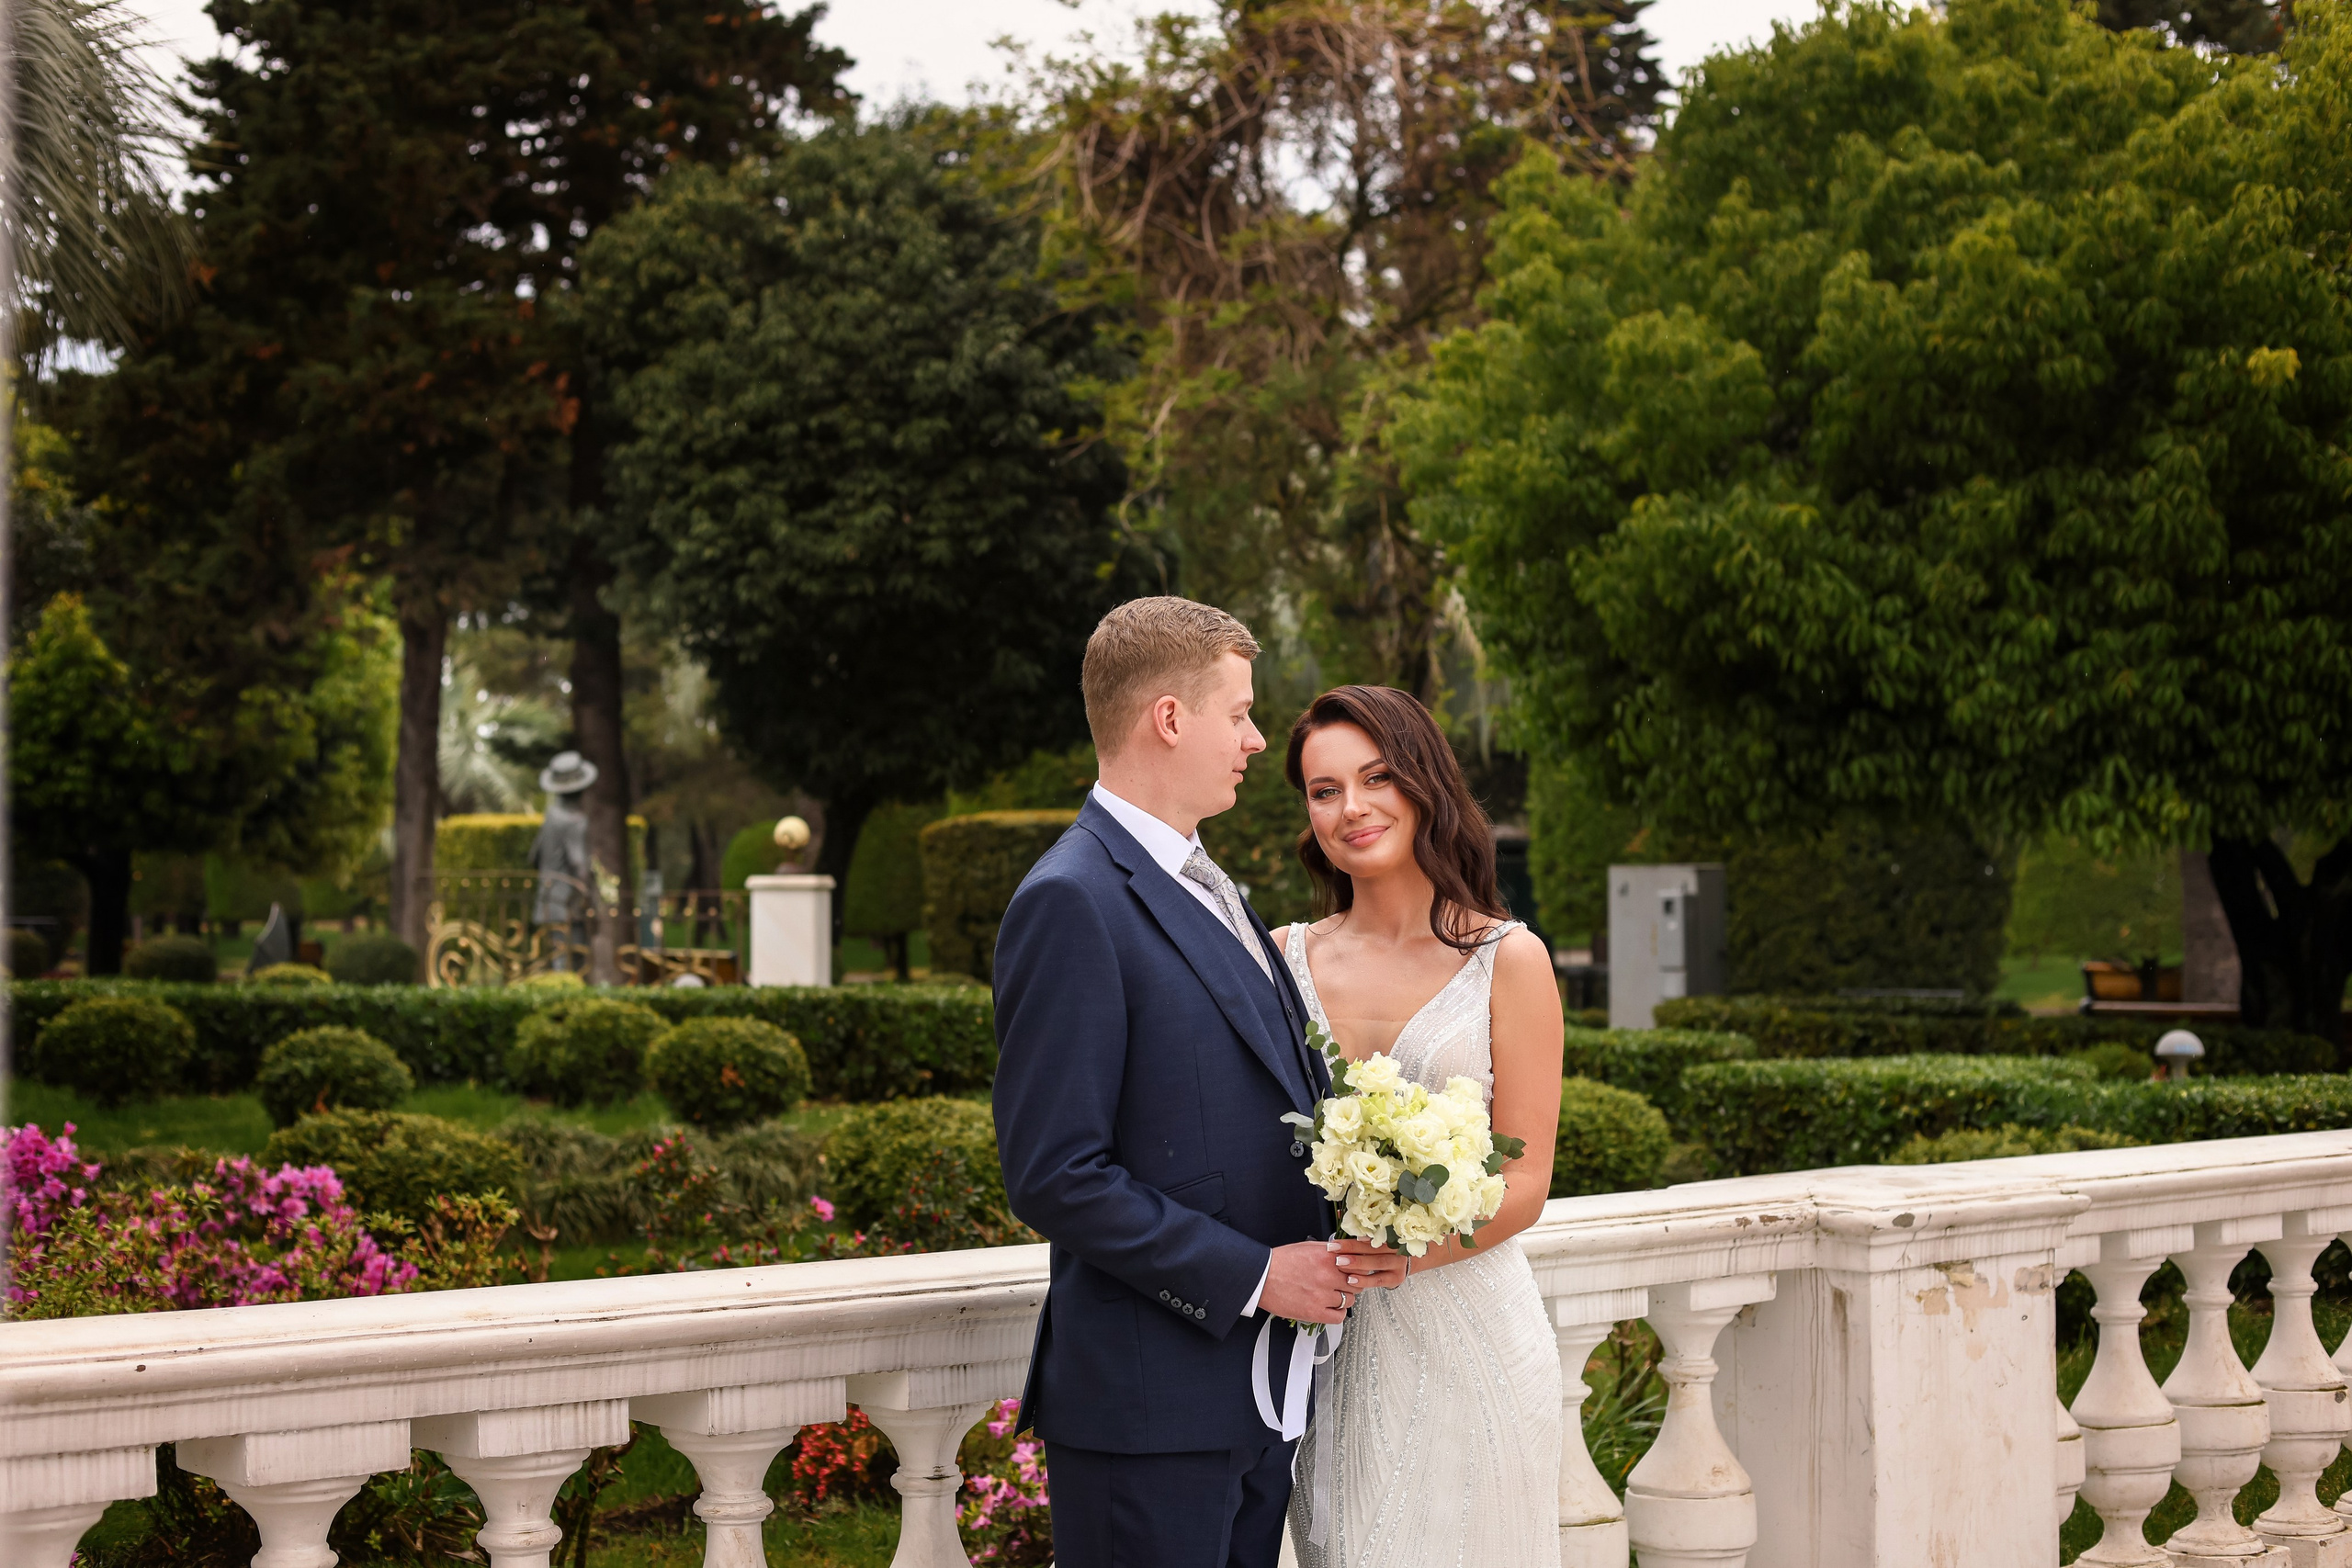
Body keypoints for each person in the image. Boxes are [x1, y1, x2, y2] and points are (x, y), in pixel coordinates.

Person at [992, 597, 1366, 1568]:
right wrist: (1255, 1275)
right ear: (1168, 717)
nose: (1252, 741)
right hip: (1144, 1416)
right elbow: (1054, 1172)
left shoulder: (1208, 882)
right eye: (1238, 713)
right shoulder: (1070, 900)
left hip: (1248, 1402)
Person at [1275, 683, 1566, 1567]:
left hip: (1468, 1329)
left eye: (1375, 778)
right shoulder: (1282, 958)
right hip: (1327, 1345)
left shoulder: (1506, 960)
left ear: (1423, 783)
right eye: (1324, 791)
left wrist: (1411, 1253)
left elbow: (1527, 1181)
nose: (1351, 808)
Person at [529, 751, 597, 970]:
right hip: (568, 903)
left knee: (557, 957)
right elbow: (579, 865)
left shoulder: (551, 816)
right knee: (570, 961)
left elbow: (533, 857)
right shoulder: (575, 821)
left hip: (547, 899)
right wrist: (588, 895)